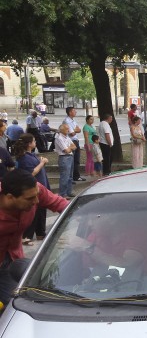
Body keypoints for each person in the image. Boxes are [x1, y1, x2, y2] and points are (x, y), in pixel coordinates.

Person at [0, 169, 68, 305]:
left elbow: (63, 205)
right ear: (9, 197)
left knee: (19, 303)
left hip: (12, 257)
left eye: (37, 195)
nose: (36, 201)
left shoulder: (33, 190)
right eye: (30, 199)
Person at [13, 133, 50, 245]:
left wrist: (41, 160)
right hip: (33, 188)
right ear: (29, 144)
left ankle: (40, 233)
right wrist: (42, 163)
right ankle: (27, 236)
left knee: (41, 212)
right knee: (33, 212)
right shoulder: (24, 158)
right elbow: (31, 173)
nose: (35, 142)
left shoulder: (31, 155)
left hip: (41, 186)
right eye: (34, 141)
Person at [62, 107, 85, 182]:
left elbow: (79, 129)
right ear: (70, 112)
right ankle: (70, 178)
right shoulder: (67, 121)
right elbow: (71, 133)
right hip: (71, 141)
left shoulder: (73, 120)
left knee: (76, 160)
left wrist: (75, 130)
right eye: (74, 111)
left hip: (75, 140)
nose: (76, 112)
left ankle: (76, 176)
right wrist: (75, 130)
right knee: (71, 159)